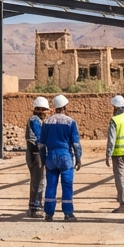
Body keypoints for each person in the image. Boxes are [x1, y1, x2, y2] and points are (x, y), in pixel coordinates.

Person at [39, 94, 82, 222]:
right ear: (64, 107)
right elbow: (76, 144)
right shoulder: (70, 122)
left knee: (51, 186)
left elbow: (41, 144)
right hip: (65, 157)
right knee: (67, 185)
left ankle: (49, 214)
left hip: (51, 156)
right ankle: (68, 214)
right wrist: (78, 159)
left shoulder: (46, 122)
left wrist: (43, 159)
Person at [26, 96, 49, 218]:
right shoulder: (35, 120)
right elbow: (39, 138)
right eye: (44, 110)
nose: (45, 113)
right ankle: (35, 207)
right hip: (35, 153)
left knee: (38, 180)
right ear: (39, 110)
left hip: (35, 152)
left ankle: (34, 206)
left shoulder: (36, 120)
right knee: (38, 181)